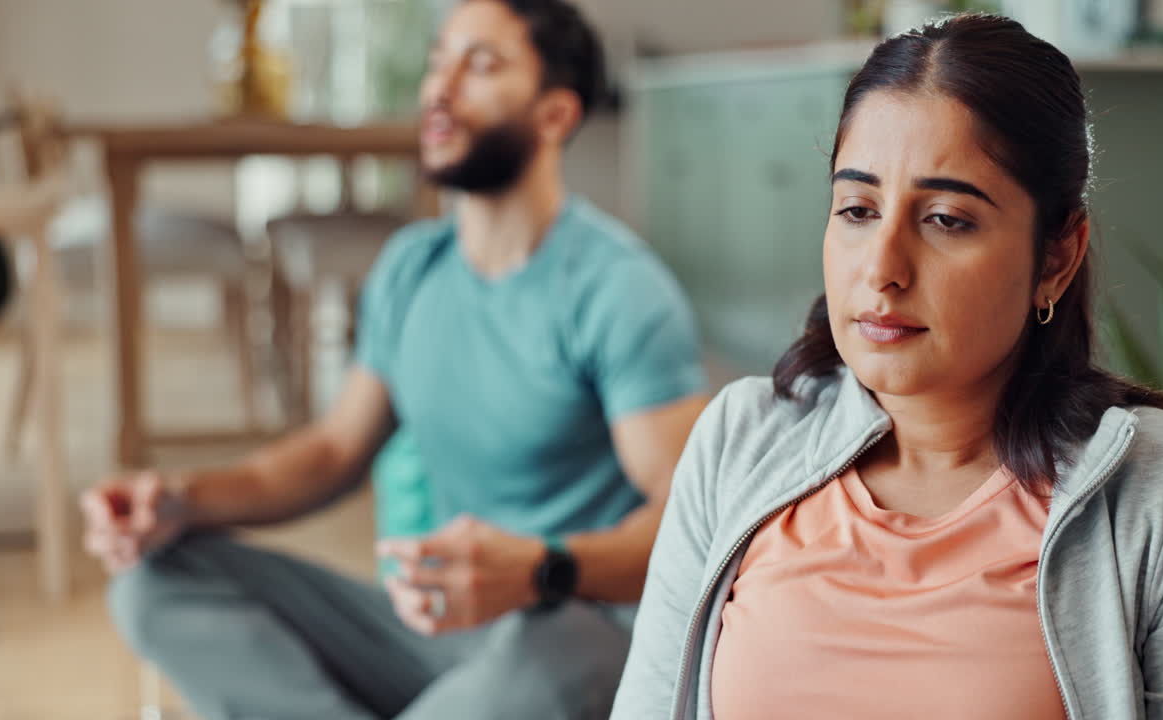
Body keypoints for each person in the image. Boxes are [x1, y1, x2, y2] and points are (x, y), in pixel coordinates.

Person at [612, 13, 1163, 720]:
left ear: (1057, 257)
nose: (883, 270)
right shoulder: (739, 440)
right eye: (858, 209)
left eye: (947, 220)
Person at [81, 1, 709, 718]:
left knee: (555, 658)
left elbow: (689, 520)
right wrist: (179, 498)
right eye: (439, 60)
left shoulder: (616, 289)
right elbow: (330, 452)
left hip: (571, 632)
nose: (439, 88)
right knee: (155, 581)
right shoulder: (412, 268)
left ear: (555, 115)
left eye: (481, 65)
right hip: (435, 632)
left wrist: (541, 569)